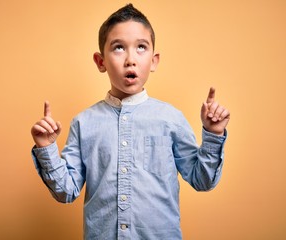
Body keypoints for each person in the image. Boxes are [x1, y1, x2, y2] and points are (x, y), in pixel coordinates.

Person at [30, 4, 230, 240]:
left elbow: (202, 180)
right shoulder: (83, 123)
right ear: (100, 61)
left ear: (154, 61)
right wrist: (46, 148)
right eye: (118, 48)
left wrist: (213, 134)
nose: (130, 59)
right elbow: (66, 191)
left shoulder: (171, 119)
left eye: (141, 47)